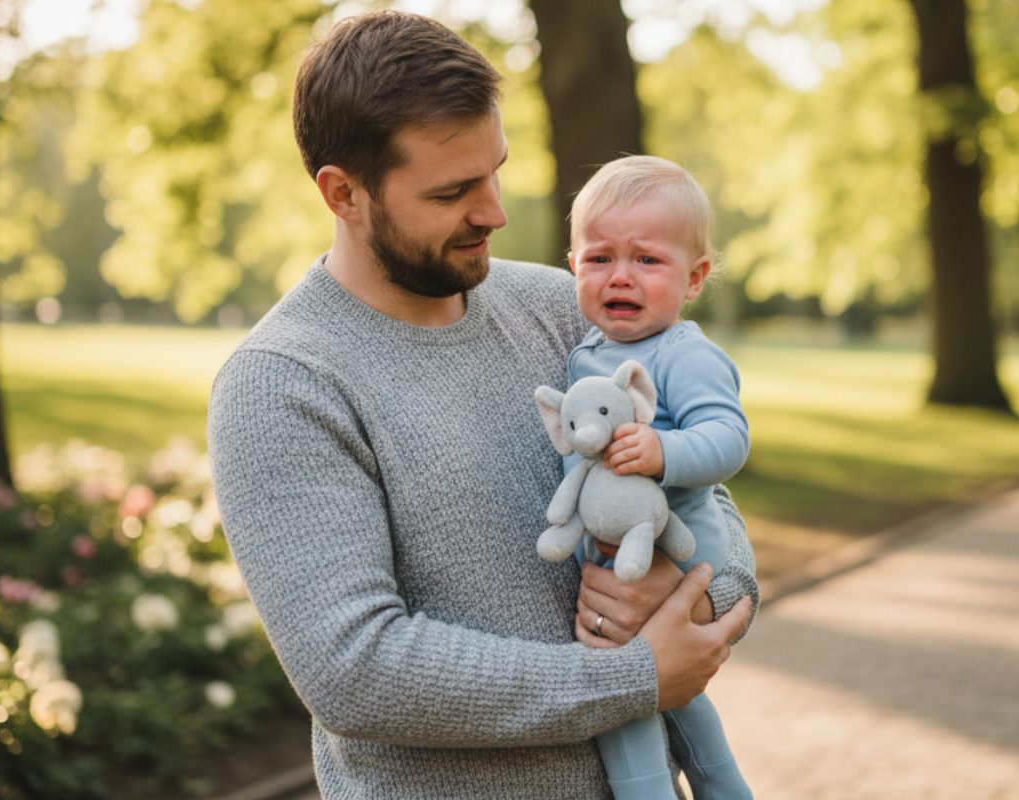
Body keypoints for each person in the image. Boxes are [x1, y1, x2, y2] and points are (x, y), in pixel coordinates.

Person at [207, 11, 759, 800]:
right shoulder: (283, 385)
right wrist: (633, 677)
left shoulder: (561, 308)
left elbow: (708, 496)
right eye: (453, 191)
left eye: (494, 170)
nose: (494, 212)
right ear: (343, 193)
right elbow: (356, 671)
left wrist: (701, 596)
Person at [561, 155, 753, 799]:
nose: (621, 275)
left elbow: (729, 438)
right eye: (599, 258)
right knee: (679, 698)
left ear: (694, 277)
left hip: (673, 554)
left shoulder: (683, 353)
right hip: (616, 558)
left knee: (627, 699)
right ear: (573, 265)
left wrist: (662, 450)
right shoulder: (587, 353)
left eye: (647, 259)